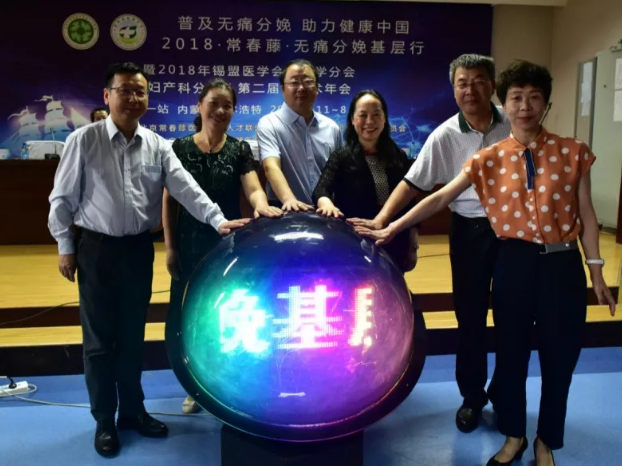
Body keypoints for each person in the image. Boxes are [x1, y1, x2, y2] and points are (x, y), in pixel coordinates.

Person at [356, 60, 616, 466]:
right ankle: (514, 434)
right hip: (514, 260)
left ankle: (546, 440)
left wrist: (596, 269)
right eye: (516, 98)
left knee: (560, 355)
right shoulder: (488, 158)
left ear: (546, 104)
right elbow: (439, 197)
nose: (525, 106)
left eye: (534, 98)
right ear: (505, 104)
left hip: (562, 265)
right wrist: (390, 226)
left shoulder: (573, 152)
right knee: (511, 353)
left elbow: (586, 213)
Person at [48, 62, 249, 458]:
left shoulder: (156, 144)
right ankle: (105, 420)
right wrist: (65, 246)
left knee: (132, 337)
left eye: (140, 91)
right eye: (124, 90)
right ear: (107, 96)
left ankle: (133, 412)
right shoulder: (84, 140)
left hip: (138, 250)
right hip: (97, 249)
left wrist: (218, 219)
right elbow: (62, 198)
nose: (133, 98)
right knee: (99, 342)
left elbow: (186, 188)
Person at [349, 54, 510, 433]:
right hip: (469, 231)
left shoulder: (513, 123)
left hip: (512, 234)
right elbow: (413, 184)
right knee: (469, 318)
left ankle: (506, 396)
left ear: (492, 85)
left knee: (512, 318)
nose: (470, 90)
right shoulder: (445, 135)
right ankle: (472, 398)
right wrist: (382, 220)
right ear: (453, 90)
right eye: (462, 83)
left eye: (479, 81)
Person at [162, 79, 282, 414]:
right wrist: (170, 248)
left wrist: (261, 205)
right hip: (188, 244)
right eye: (214, 103)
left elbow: (253, 188)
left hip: (226, 246)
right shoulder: (179, 148)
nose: (220, 111)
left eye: (227, 105)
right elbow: (169, 201)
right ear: (199, 106)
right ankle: (192, 385)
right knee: (186, 315)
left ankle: (220, 380)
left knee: (221, 314)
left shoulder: (239, 149)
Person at [313, 89, 418, 273]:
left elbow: (410, 202)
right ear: (353, 120)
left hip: (394, 237)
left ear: (384, 119)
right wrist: (326, 203)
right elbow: (321, 189)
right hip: (356, 240)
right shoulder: (342, 157)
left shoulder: (398, 156)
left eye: (376, 114)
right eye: (363, 115)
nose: (370, 121)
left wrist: (413, 244)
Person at [256, 59, 342, 211]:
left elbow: (339, 174)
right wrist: (289, 200)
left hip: (325, 212)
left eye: (308, 82)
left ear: (317, 88)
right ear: (283, 89)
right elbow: (270, 166)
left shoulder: (332, 128)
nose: (301, 88)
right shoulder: (269, 124)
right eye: (294, 82)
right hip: (284, 210)